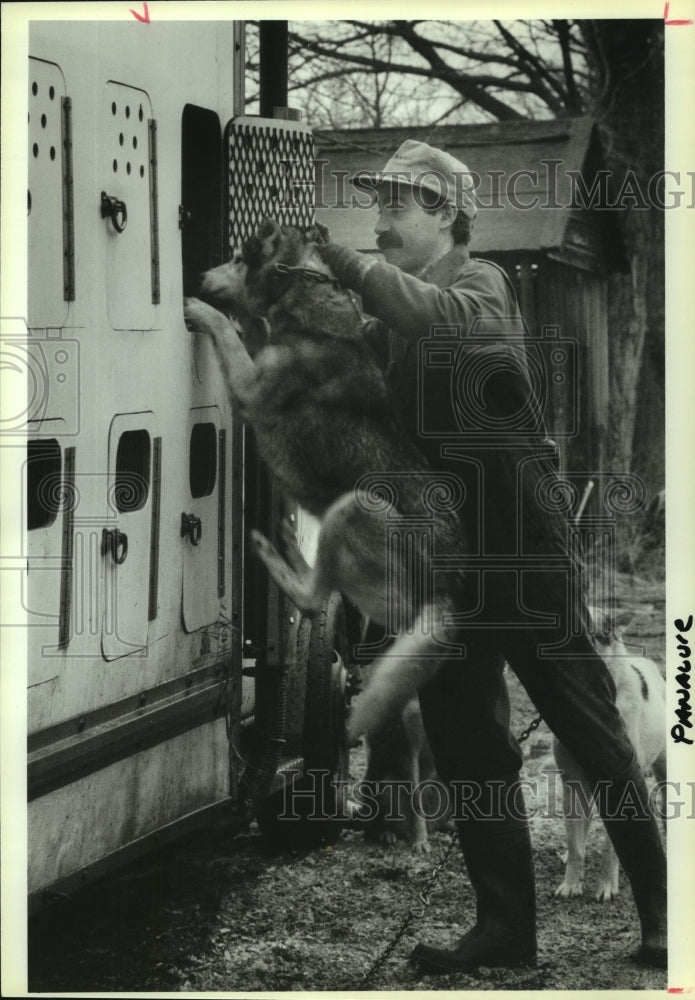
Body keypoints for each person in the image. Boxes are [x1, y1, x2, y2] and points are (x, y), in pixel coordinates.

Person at [316, 140, 667, 972]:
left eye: (396, 208)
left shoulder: (482, 290)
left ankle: (664, 916)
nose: (378, 226)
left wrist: (343, 264)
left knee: (591, 724)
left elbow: (446, 324)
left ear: (445, 213)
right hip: (451, 557)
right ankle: (505, 931)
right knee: (469, 740)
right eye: (377, 210)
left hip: (523, 545)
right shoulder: (393, 323)